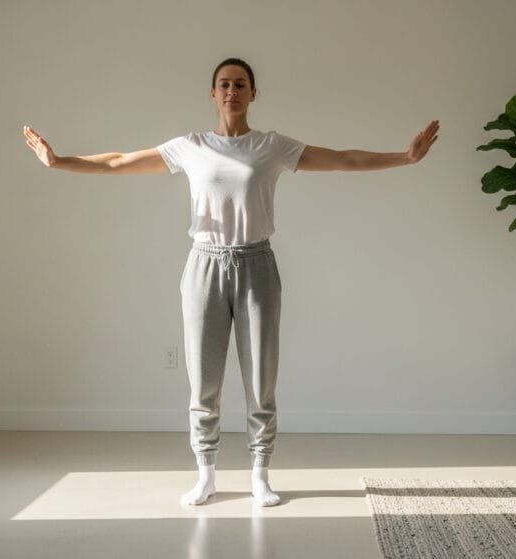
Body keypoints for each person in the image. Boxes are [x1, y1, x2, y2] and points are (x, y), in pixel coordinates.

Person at [23, 57, 439, 508]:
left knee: (261, 378)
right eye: (223, 84)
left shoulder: (271, 146)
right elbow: (120, 161)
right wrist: (59, 161)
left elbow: (343, 159)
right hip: (203, 265)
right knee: (204, 381)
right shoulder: (191, 146)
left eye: (241, 84)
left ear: (253, 93)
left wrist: (406, 156)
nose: (232, 90)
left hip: (257, 264)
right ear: (212, 93)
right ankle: (206, 474)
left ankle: (261, 473)